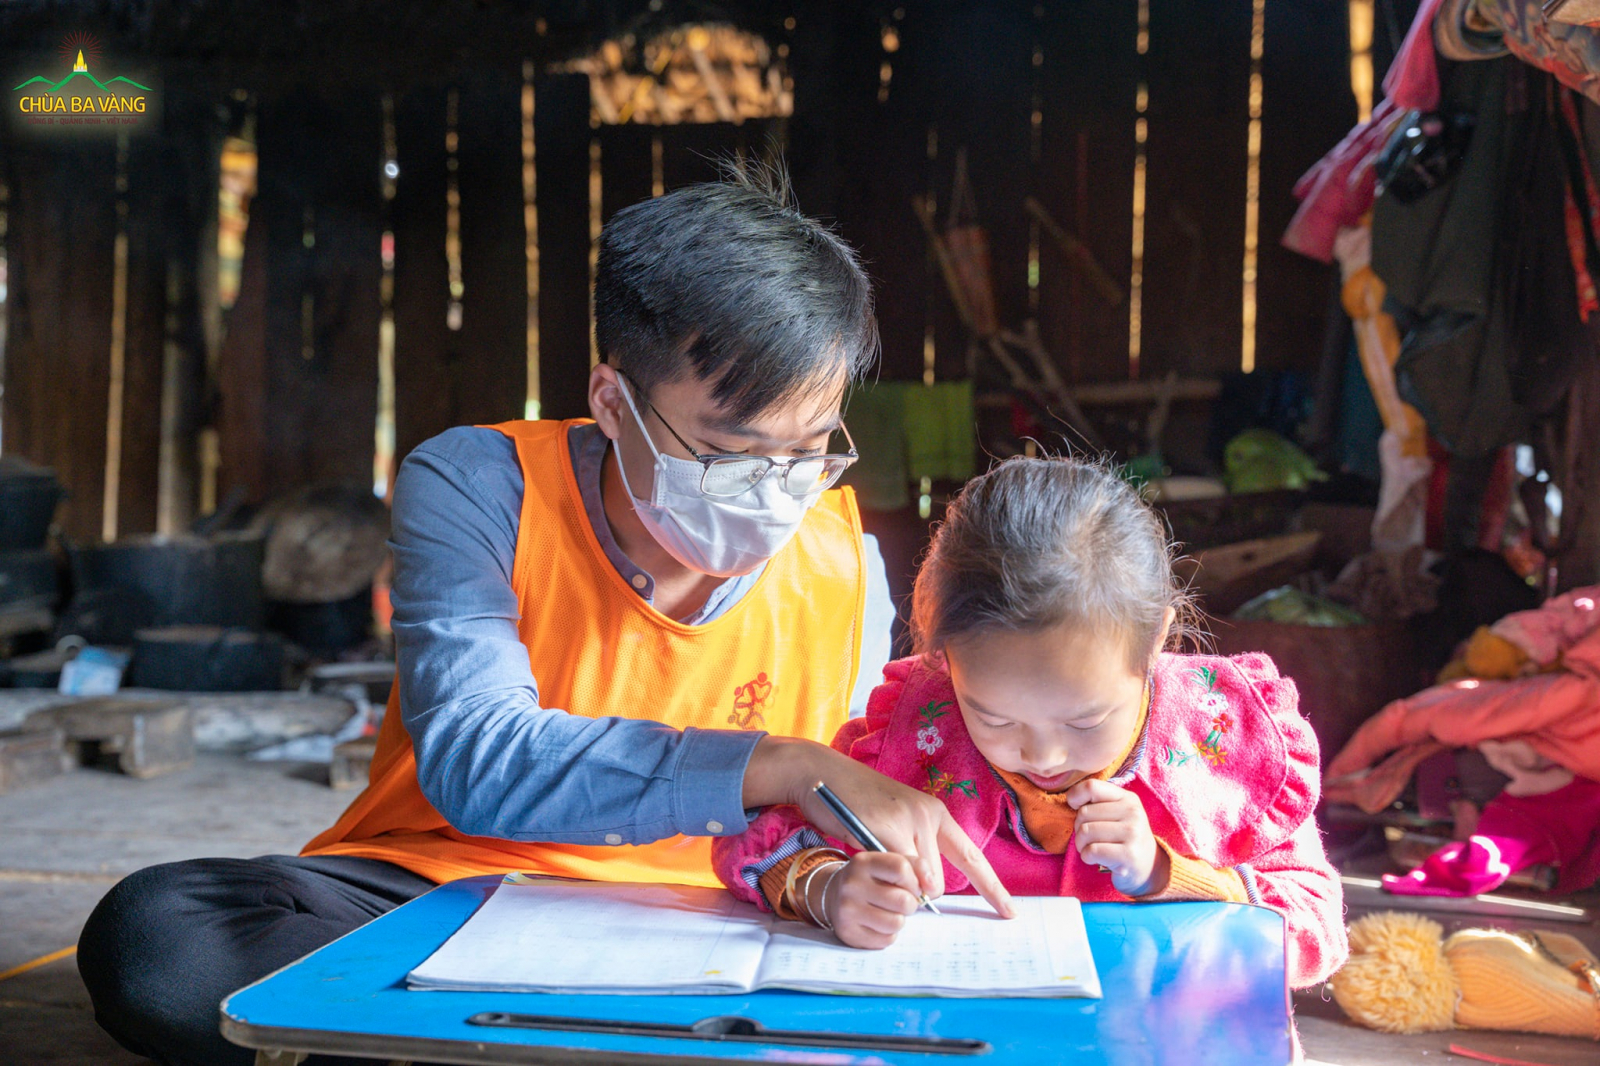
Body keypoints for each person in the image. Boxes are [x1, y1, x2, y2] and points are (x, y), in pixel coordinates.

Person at [77, 167, 1009, 1066]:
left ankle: (476, 1049)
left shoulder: (842, 561)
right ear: (614, 401)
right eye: (732, 452)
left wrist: (840, 880)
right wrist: (782, 765)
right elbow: (475, 760)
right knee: (164, 939)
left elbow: (831, 824)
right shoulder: (480, 487)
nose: (775, 492)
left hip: (716, 917)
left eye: (808, 451)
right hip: (448, 886)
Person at [714, 456, 1349, 990]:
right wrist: (824, 887)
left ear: (1154, 639)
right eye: (991, 716)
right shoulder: (915, 727)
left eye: (1086, 719)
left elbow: (1317, 928)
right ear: (946, 660)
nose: (1042, 754)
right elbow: (750, 836)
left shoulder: (1223, 736)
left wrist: (1168, 874)